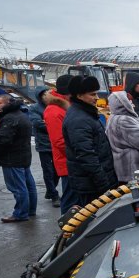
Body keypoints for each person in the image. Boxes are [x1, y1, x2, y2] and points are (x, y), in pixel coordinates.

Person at [63, 76, 118, 206]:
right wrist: (103, 184)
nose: (97, 97)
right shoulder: (79, 119)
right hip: (92, 185)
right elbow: (86, 155)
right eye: (92, 94)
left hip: (94, 182)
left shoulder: (86, 114)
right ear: (79, 95)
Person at [0, 94, 37, 223]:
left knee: (18, 188)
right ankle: (30, 210)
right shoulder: (21, 115)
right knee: (28, 186)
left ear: (8, 103)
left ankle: (20, 214)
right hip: (23, 157)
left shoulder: (10, 118)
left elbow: (3, 141)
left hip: (12, 159)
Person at [105, 91, 139, 182]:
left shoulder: (114, 118)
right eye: (129, 101)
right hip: (136, 172)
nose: (132, 103)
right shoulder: (124, 120)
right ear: (123, 104)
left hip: (128, 170)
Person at [44, 74, 75, 212]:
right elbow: (60, 141)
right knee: (70, 199)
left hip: (73, 160)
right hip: (67, 162)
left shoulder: (67, 106)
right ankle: (67, 229)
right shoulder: (54, 111)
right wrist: (80, 153)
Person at [30, 88, 60, 207]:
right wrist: (53, 123)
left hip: (56, 143)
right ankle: (54, 195)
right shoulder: (34, 108)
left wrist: (47, 122)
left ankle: (50, 190)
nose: (46, 97)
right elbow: (37, 124)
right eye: (43, 95)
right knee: (47, 171)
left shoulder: (55, 105)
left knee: (57, 170)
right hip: (44, 144)